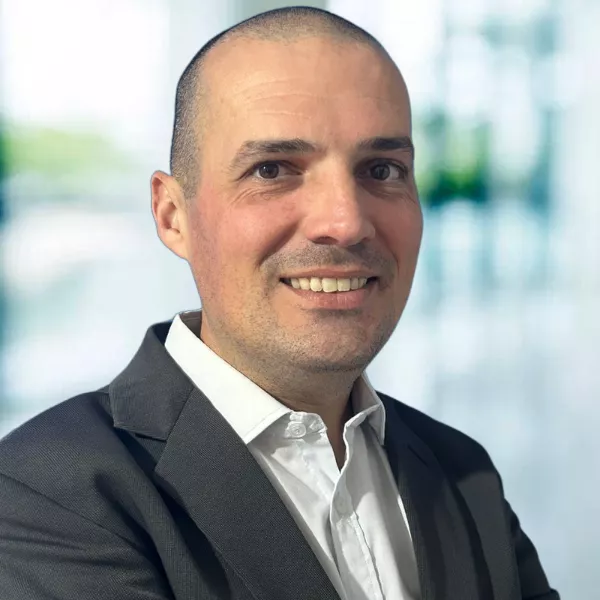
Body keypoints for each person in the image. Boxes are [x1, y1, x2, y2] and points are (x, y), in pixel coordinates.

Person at [0, 6, 559, 600]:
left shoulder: (462, 471)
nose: (345, 221)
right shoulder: (45, 494)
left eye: (382, 169)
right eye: (272, 170)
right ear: (172, 216)